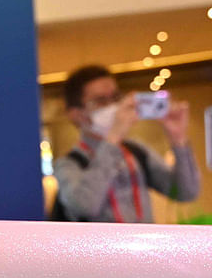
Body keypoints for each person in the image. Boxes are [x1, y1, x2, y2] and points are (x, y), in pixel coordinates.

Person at [53, 65, 200, 222]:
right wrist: (113, 137)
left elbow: (186, 192)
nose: (113, 107)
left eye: (115, 98)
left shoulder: (136, 151)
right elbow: (84, 206)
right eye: (101, 101)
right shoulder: (68, 164)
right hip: (101, 246)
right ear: (77, 115)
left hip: (144, 244)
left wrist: (178, 140)